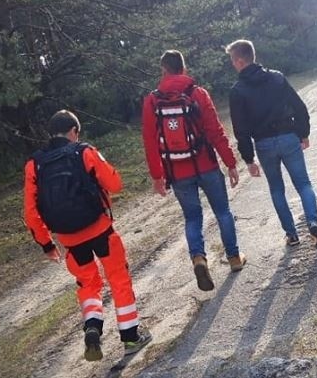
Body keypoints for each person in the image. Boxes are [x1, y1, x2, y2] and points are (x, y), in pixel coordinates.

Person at [23, 110, 151, 362]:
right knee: (118, 278)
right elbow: (115, 184)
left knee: (88, 284)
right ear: (74, 131)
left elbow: (30, 211)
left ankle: (92, 326)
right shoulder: (84, 151)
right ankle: (130, 338)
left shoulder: (34, 164)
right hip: (100, 229)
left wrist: (46, 244)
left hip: (69, 238)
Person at [142, 50, 246, 292]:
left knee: (192, 218)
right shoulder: (198, 94)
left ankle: (199, 258)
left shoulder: (152, 101)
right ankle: (233, 258)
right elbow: (215, 131)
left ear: (164, 70)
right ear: (184, 68)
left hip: (177, 172)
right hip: (207, 165)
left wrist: (157, 176)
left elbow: (150, 140)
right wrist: (230, 162)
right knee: (222, 211)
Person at [226, 39, 317, 252]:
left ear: (239, 61)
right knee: (303, 184)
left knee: (276, 189)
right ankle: (313, 222)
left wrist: (248, 159)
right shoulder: (277, 78)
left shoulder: (237, 91)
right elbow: (299, 106)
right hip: (288, 137)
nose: (232, 64)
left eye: (232, 60)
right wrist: (303, 133)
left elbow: (241, 130)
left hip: (264, 144)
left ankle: (292, 235)